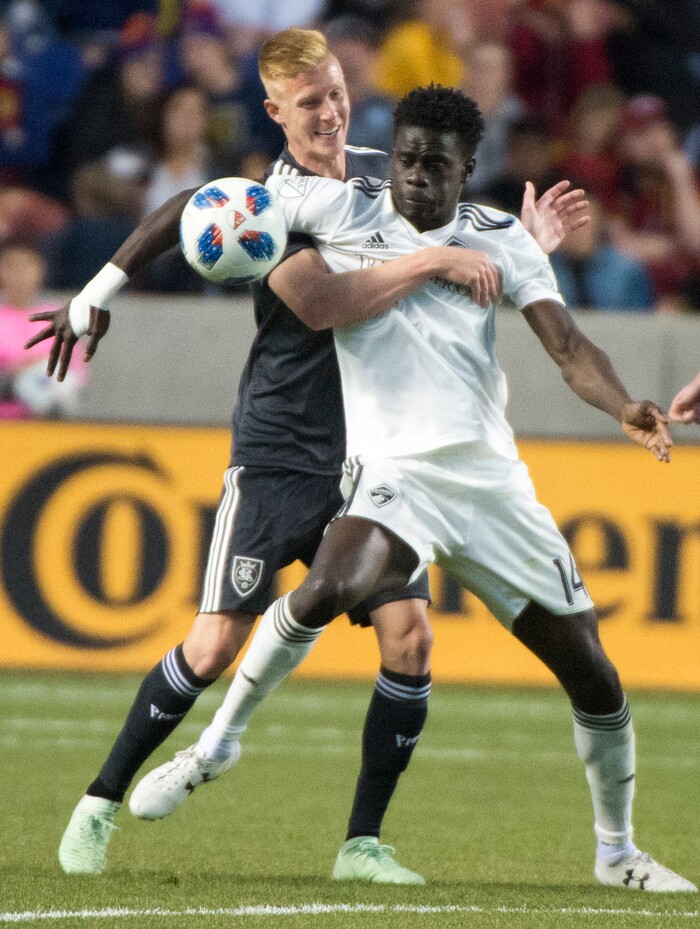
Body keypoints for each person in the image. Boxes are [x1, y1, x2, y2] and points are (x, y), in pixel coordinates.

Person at [29, 28, 588, 882]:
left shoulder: (386, 173)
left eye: (334, 94)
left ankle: (361, 843)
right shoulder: (268, 207)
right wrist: (97, 290)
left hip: (379, 460)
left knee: (410, 639)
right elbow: (322, 300)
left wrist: (521, 247)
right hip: (281, 453)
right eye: (309, 103)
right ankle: (100, 800)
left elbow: (466, 236)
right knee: (214, 645)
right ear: (273, 112)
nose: (330, 113)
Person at [131, 85, 695, 893]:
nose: (417, 177)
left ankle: (617, 852)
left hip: (492, 486)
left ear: (469, 170)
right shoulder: (338, 209)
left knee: (596, 676)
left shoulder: (501, 237)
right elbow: (203, 204)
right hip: (395, 474)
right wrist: (100, 290)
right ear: (389, 154)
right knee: (332, 582)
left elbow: (569, 346)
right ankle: (215, 744)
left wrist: (625, 406)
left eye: (438, 164)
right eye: (406, 159)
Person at [0, 242, 86, 418]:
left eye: (27, 268)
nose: (20, 276)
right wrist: (13, 374)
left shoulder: (57, 317)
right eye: (13, 268)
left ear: (39, 272)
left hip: (46, 421)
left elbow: (77, 369)